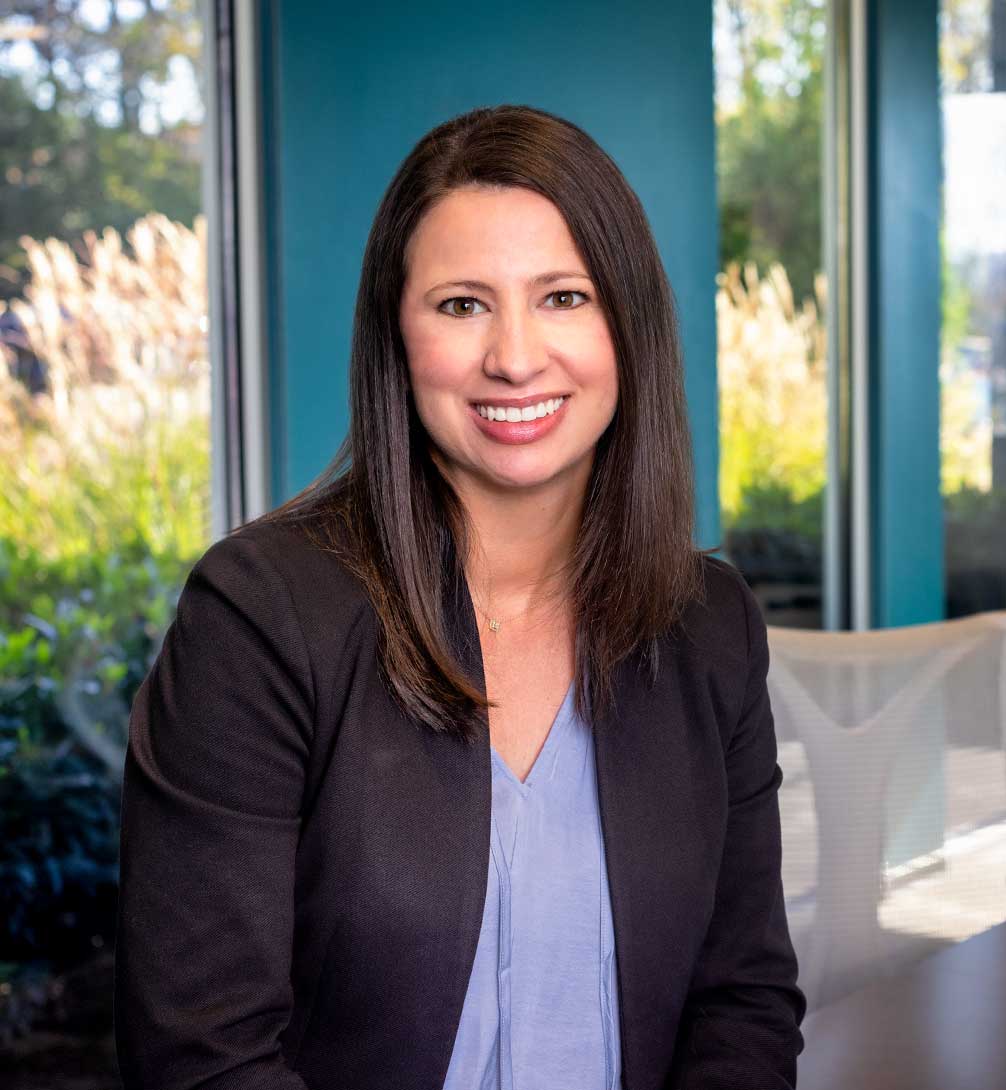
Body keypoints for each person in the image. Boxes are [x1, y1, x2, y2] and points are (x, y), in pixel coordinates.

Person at [114, 104, 805, 1090]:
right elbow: (201, 1055)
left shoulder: (711, 624)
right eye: (461, 304)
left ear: (629, 323)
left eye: (564, 297)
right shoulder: (259, 618)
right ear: (398, 335)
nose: (515, 356)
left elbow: (743, 1000)